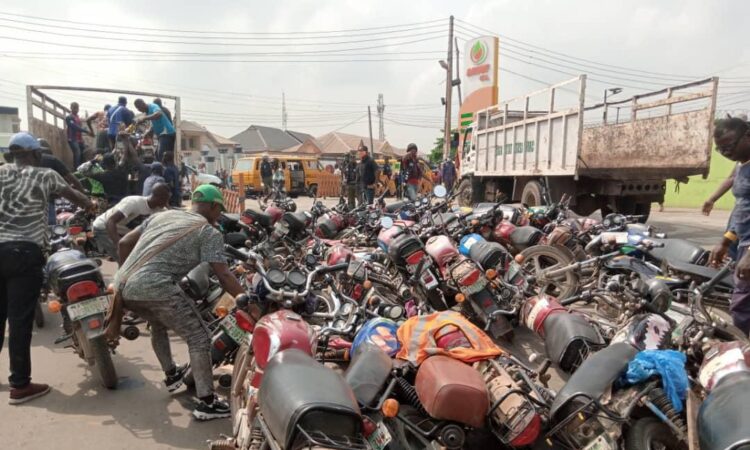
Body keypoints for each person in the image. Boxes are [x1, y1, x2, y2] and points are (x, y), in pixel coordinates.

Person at [115, 185, 244, 420]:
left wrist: (125, 276)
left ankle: (172, 375)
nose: (219, 216)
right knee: (200, 337)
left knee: (158, 324)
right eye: (219, 210)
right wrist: (245, 300)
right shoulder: (208, 232)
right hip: (155, 286)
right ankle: (207, 402)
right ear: (214, 207)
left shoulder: (161, 216)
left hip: (123, 285)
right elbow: (224, 275)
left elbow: (124, 242)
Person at [0, 132, 93, 404]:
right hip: (24, 253)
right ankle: (20, 385)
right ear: (36, 154)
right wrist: (92, 204)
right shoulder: (45, 175)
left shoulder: (1, 173)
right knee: (19, 320)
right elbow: (76, 197)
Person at [710, 117, 750, 334]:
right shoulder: (743, 166)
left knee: (742, 308)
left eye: (729, 146)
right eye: (720, 149)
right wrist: (726, 241)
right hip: (742, 241)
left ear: (747, 136)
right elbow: (743, 211)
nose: (725, 152)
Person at [92, 184, 171, 262]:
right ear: (158, 198)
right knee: (126, 261)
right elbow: (110, 221)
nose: (167, 203)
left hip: (122, 230)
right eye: (166, 200)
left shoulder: (160, 209)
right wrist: (118, 245)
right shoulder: (134, 203)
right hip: (103, 228)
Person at [38, 139, 85, 224]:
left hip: (28, 204)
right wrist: (84, 198)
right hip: (48, 202)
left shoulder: (26, 163)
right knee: (51, 229)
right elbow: (74, 180)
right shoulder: (53, 160)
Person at [65, 102, 93, 170]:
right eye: (74, 108)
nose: (76, 109)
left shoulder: (77, 117)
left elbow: (79, 127)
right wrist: (86, 131)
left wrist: (84, 133)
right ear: (71, 108)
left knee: (84, 153)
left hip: (79, 139)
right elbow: (75, 127)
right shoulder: (69, 117)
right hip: (72, 139)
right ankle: (76, 170)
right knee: (77, 153)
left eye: (77, 108)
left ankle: (81, 169)